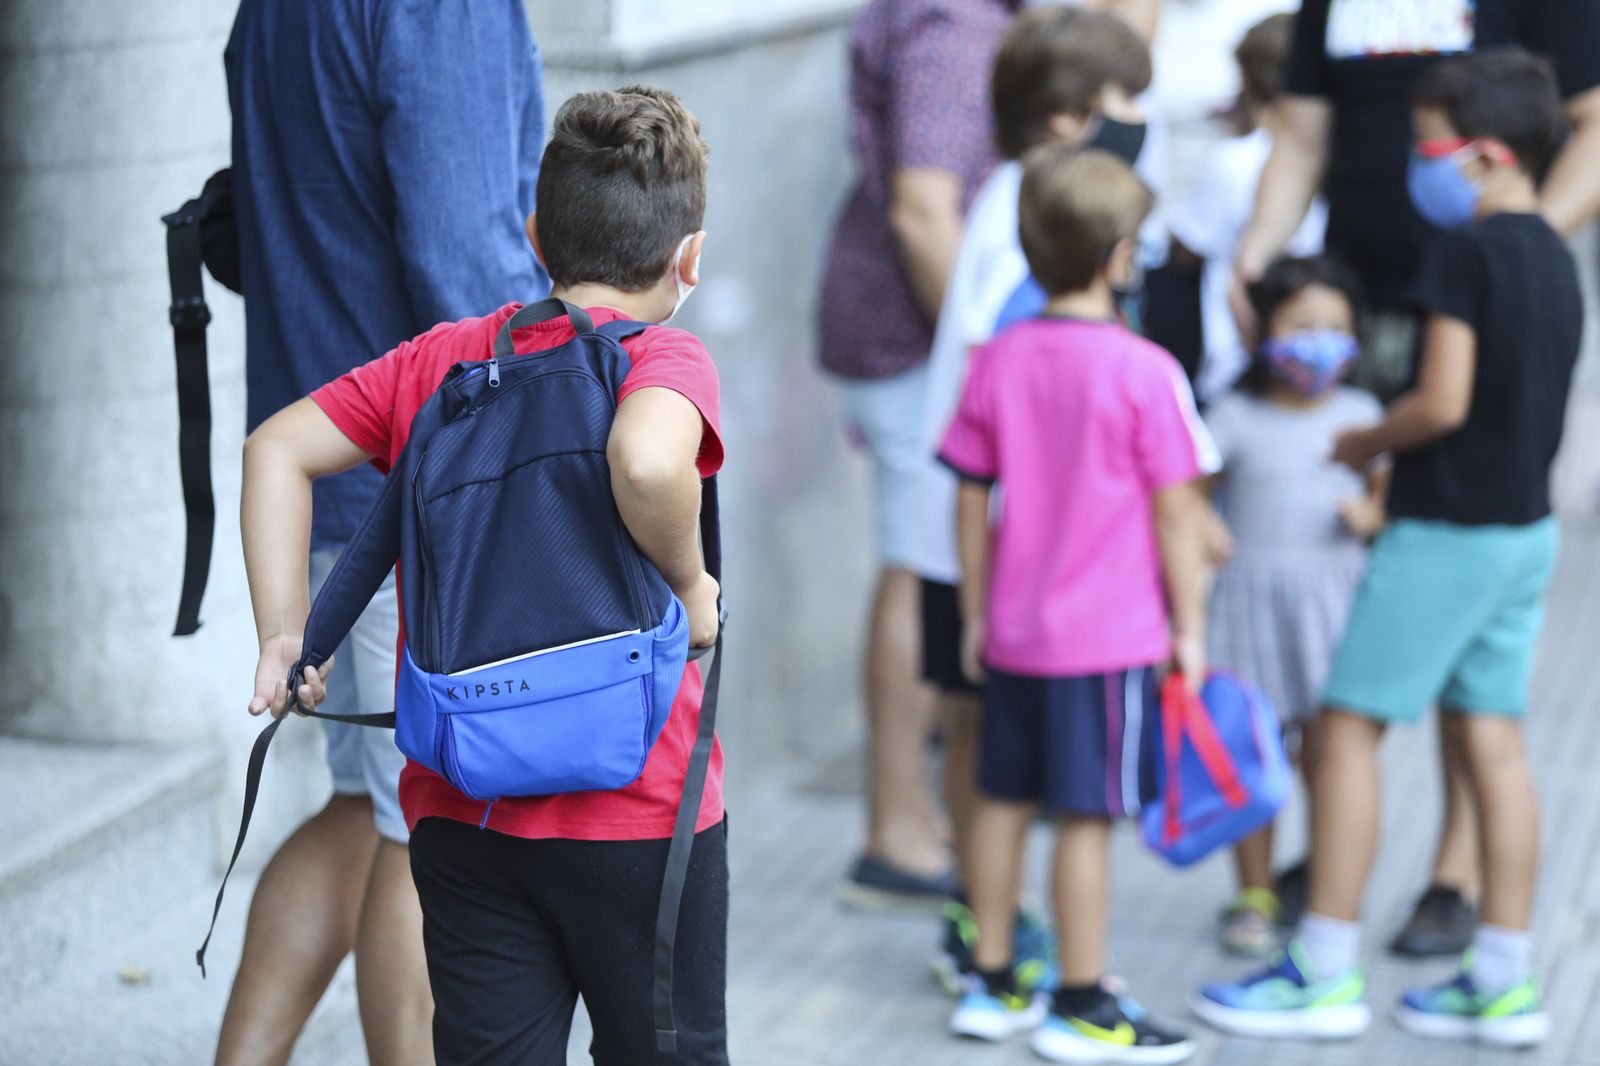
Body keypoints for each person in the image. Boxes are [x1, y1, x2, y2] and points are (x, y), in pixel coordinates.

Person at [239, 86, 730, 1064]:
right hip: (639, 812)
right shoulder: (666, 358)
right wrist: (691, 585)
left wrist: (286, 633)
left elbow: (274, 450)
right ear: (690, 257)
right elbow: (645, 461)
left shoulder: (443, 360)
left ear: (536, 236)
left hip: (466, 814)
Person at [1194, 48, 1581, 1049]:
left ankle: (1322, 966)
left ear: (1484, 155)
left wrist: (1364, 442)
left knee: (1343, 733)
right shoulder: (1555, 253)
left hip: (1442, 529)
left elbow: (1440, 401)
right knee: (1494, 744)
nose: (1417, 166)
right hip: (1522, 534)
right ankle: (1503, 979)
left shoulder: (1461, 254)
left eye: (1427, 147)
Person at [219, 2, 545, 1062]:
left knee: (366, 814)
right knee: (430, 841)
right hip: (415, 503)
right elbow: (472, 268)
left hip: (333, 472)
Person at [939, 146, 1215, 1063]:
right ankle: (1085, 1000)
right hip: (1107, 643)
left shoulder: (999, 360)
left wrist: (975, 614)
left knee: (1001, 802)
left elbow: (969, 495)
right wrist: (1189, 628)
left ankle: (992, 981)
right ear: (1119, 256)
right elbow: (1178, 513)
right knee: (1085, 820)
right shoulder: (1146, 371)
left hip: (1013, 632)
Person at [908, 3, 1154, 996]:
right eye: (1124, 101)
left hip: (992, 550)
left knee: (987, 752)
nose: (1137, 122)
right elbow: (1007, 385)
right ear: (1068, 116)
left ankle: (989, 932)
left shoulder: (1012, 200)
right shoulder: (1040, 221)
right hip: (1009, 560)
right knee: (997, 756)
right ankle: (992, 932)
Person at [817, 0, 1021, 910]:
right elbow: (924, 211)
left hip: (909, 334)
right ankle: (897, 830)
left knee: (922, 559)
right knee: (918, 563)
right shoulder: (954, 26)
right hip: (916, 341)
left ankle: (909, 818)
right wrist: (986, 374)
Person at [1204, 256, 1384, 958]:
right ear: (1263, 331)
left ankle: (1325, 882)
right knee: (1254, 754)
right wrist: (1205, 528)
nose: (1319, 341)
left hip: (1334, 609)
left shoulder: (1363, 417)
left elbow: (1387, 495)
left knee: (1332, 755)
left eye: (1336, 326)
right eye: (1302, 323)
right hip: (1248, 608)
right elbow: (1187, 491)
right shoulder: (1234, 416)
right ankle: (1254, 893)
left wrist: (1372, 516)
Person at [1168, 14, 1326, 405]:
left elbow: (1188, 248)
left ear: (1248, 83)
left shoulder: (1233, 159)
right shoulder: (1332, 157)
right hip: (1321, 352)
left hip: (1236, 354)